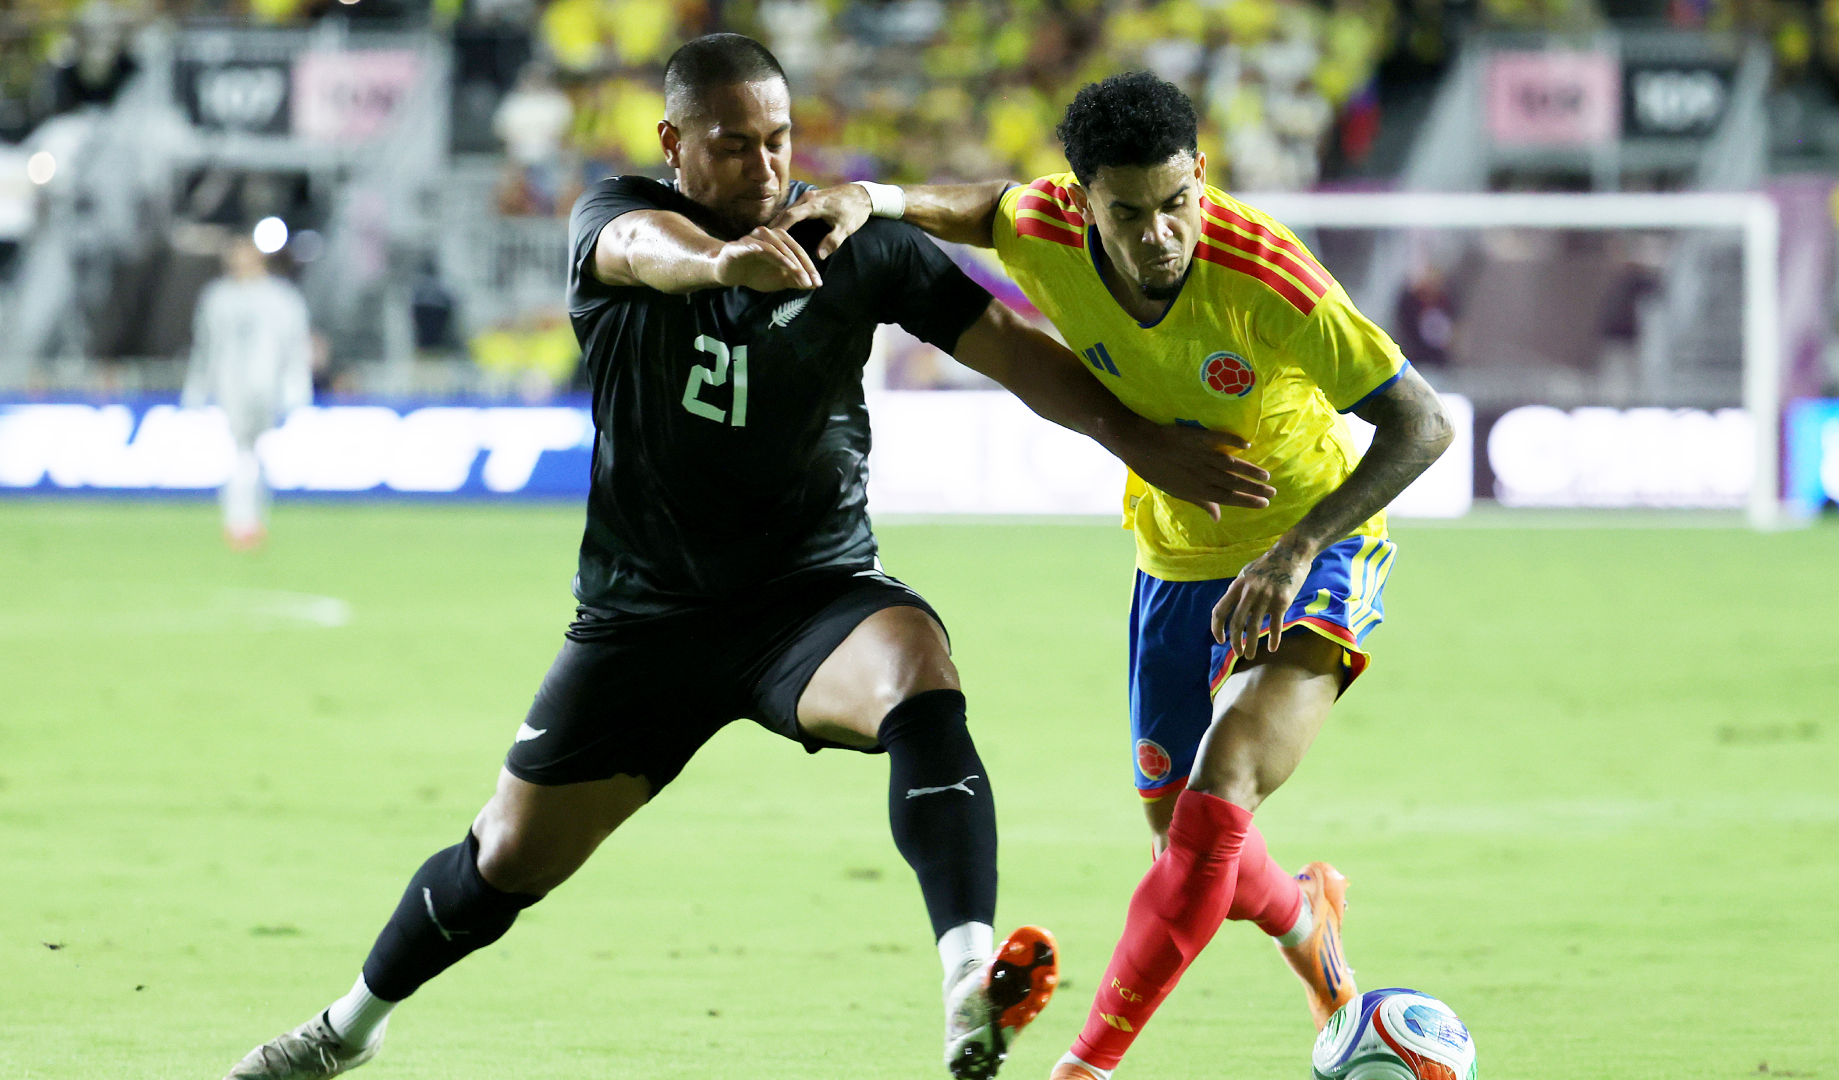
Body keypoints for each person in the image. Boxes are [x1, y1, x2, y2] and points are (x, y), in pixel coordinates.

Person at [223, 38, 1273, 1080]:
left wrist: (1141, 442)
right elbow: (643, 249)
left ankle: (965, 983)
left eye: (779, 140)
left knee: (918, 669)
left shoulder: (850, 239)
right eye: (734, 146)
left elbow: (1011, 352)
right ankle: (347, 1028)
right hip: (644, 623)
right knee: (504, 857)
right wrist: (723, 264)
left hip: (811, 601)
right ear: (674, 144)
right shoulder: (615, 216)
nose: (767, 168)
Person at [777, 71, 1456, 1080]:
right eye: (1127, 212)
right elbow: (983, 210)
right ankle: (1305, 915)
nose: (1158, 235)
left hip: (1308, 547)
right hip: (1176, 560)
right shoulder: (1047, 228)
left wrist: (1300, 548)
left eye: (1177, 202)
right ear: (1083, 199)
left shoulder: (1271, 278)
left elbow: (1423, 423)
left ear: (1201, 177)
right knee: (1185, 851)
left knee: (1220, 792)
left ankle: (1083, 1068)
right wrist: (877, 198)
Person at [182, 234, 313, 550]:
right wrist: (197, 386)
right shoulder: (218, 297)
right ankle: (241, 522)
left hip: (267, 385)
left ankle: (250, 518)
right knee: (239, 453)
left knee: (257, 454)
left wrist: (297, 383)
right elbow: (206, 346)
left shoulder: (281, 298)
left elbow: (295, 345)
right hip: (230, 386)